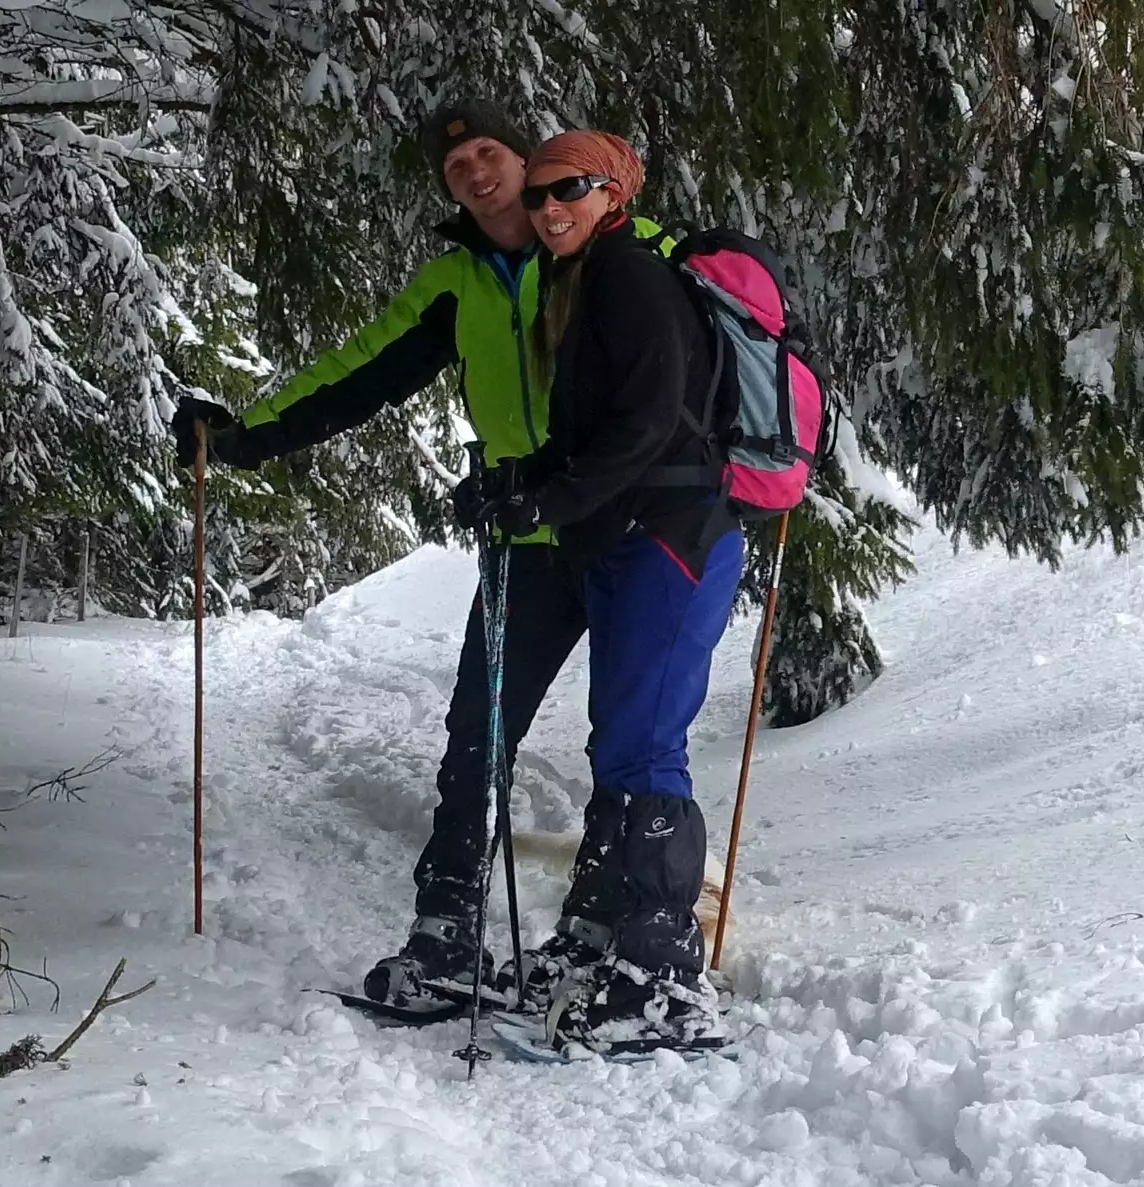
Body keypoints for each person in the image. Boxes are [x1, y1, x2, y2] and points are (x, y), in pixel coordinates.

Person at [172, 105, 736, 1045]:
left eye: (492, 154)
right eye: (455, 166)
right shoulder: (458, 283)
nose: (477, 173)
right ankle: (446, 935)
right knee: (480, 732)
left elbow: (676, 389)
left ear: (536, 164)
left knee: (632, 737)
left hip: (631, 529)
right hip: (528, 540)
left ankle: (617, 941)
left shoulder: (617, 253)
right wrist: (244, 437)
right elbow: (358, 372)